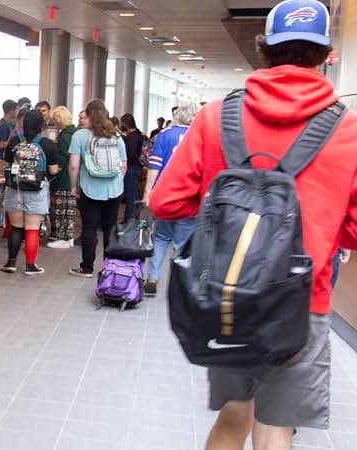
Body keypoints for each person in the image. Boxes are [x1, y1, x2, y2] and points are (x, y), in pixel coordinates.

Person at [150, 2, 355, 447]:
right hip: (303, 302)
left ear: (263, 49)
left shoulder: (215, 116)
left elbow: (165, 201)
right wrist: (323, 224)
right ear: (324, 55)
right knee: (275, 424)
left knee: (233, 416)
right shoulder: (349, 128)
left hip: (228, 295)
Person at [141, 102, 197, 296]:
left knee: (161, 237)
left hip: (166, 196)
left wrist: (148, 193)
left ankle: (152, 278)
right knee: (182, 242)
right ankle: (178, 284)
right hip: (189, 197)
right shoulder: (198, 136)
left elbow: (154, 167)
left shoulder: (164, 135)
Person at [0, 110, 60, 275]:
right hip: (37, 189)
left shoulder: (15, 141)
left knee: (16, 227)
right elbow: (53, 170)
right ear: (41, 125)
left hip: (15, 189)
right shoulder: (47, 144)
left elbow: (7, 164)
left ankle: (10, 263)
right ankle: (30, 265)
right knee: (32, 228)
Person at [68, 99, 127, 277]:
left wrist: (73, 186)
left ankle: (87, 268)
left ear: (88, 115)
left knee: (89, 228)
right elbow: (123, 165)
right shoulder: (116, 135)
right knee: (110, 228)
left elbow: (73, 164)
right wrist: (116, 182)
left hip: (89, 188)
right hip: (114, 190)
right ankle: (110, 268)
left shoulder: (80, 135)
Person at [46, 106, 80, 248]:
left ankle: (64, 237)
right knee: (68, 209)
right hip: (72, 177)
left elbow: (64, 157)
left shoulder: (65, 136)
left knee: (63, 208)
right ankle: (67, 237)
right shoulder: (75, 133)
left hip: (65, 177)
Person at [118, 113, 145, 222]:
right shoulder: (138, 134)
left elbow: (132, 154)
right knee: (135, 194)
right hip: (137, 167)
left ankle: (129, 220)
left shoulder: (132, 137)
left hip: (131, 167)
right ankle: (133, 218)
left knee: (131, 196)